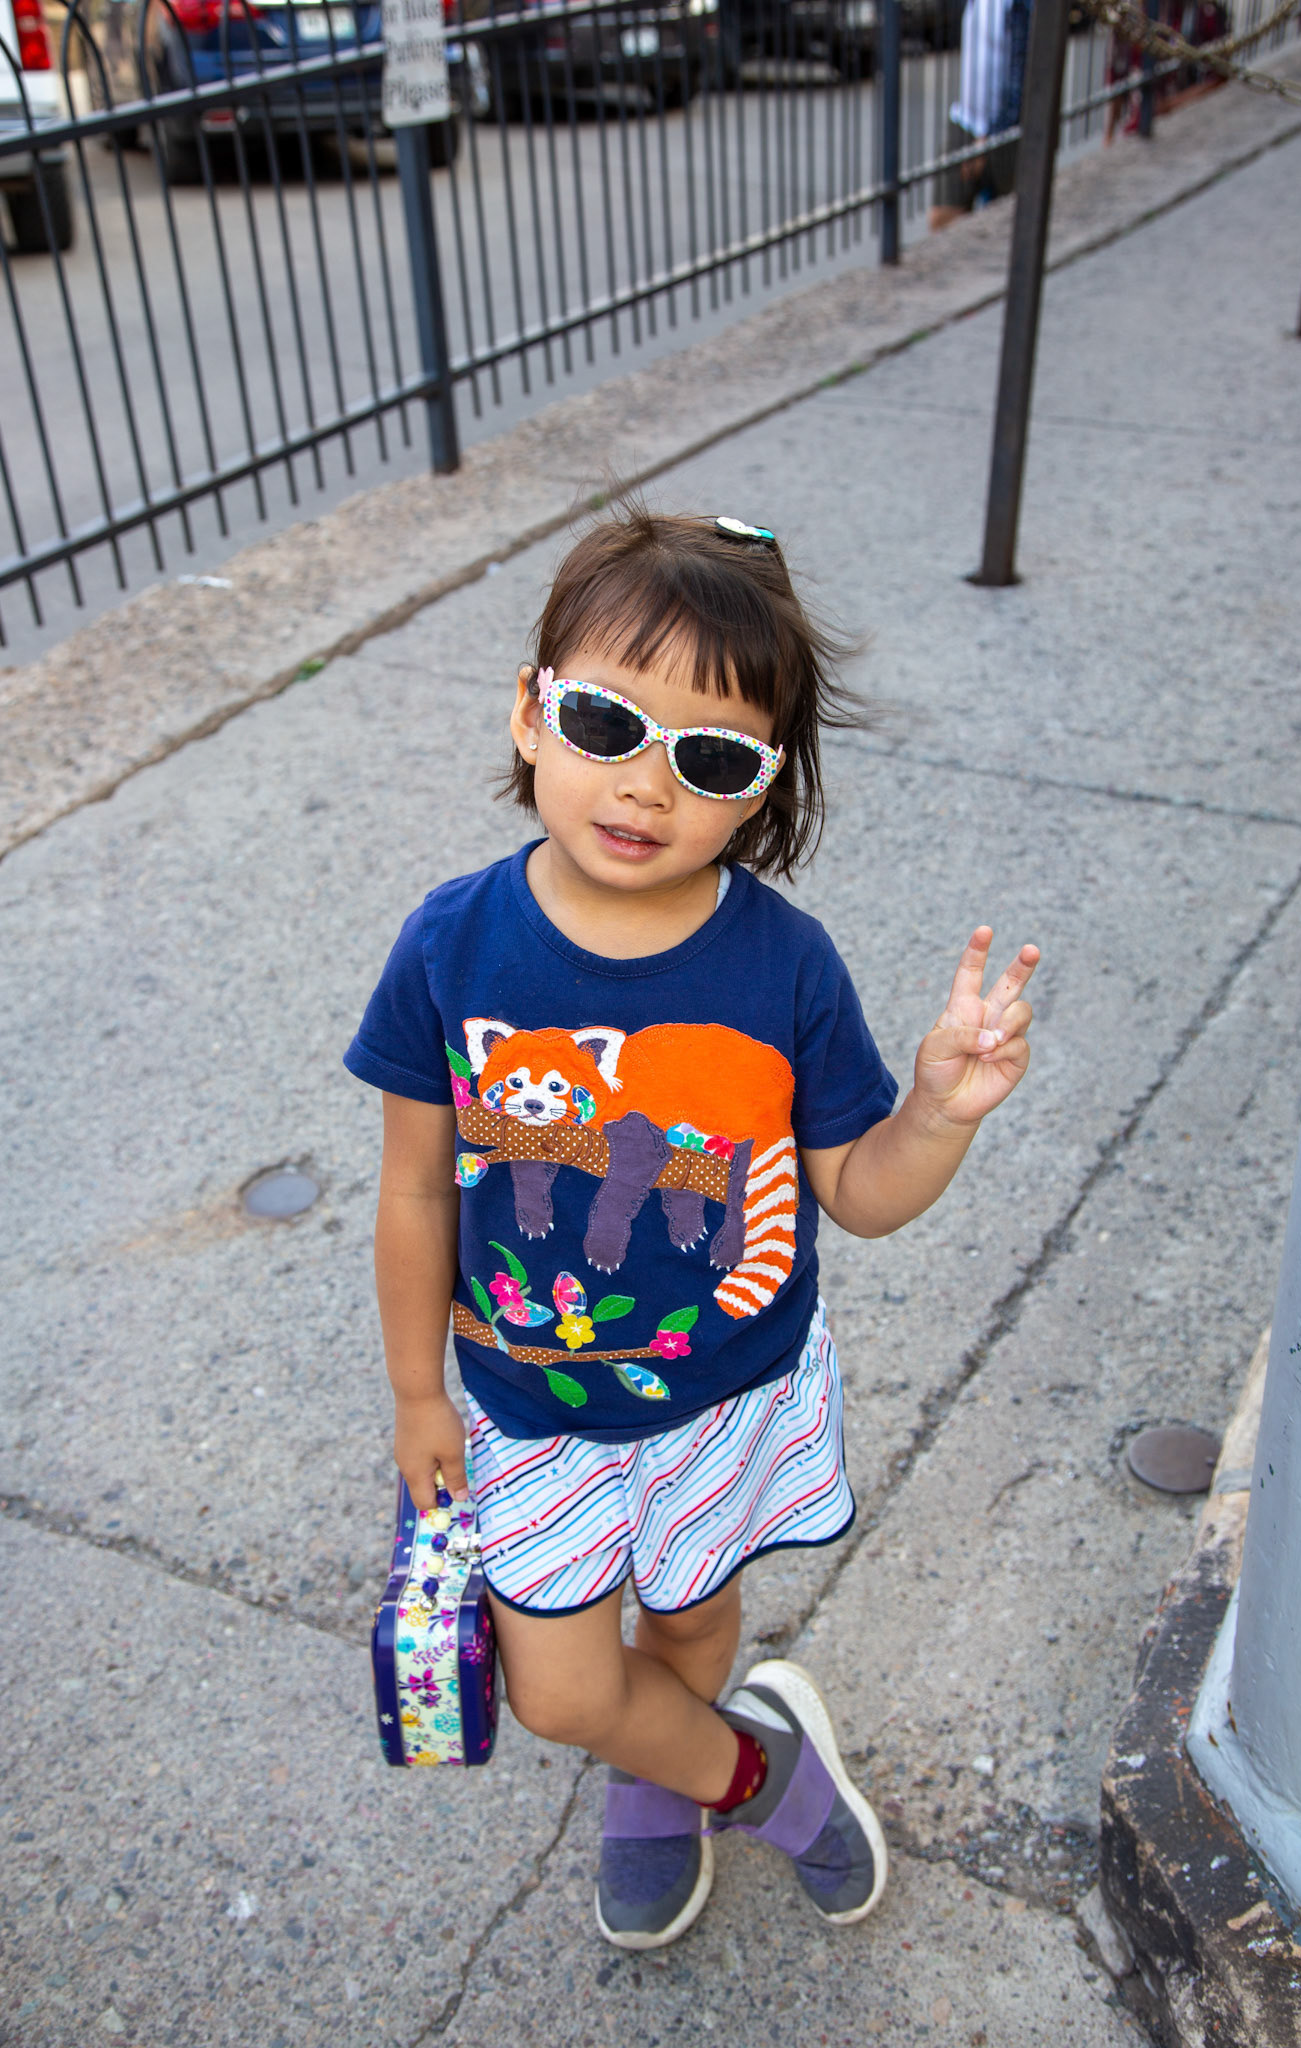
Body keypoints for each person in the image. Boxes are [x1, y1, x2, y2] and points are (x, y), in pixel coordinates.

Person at [344, 505, 1039, 1951]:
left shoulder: (783, 963)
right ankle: (756, 1774)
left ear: (760, 789)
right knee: (561, 1688)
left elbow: (860, 1192)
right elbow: (413, 1187)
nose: (646, 783)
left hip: (724, 1398)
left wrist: (939, 1111)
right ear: (531, 713)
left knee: (688, 1622)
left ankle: (665, 1770)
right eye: (607, 722)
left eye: (711, 758)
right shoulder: (451, 944)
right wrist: (417, 1390)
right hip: (528, 1406)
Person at [929, 0, 1032, 230]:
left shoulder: (1021, 5)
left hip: (1005, 128)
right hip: (966, 118)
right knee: (943, 217)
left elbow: (1022, 76)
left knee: (1004, 220)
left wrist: (990, 137)